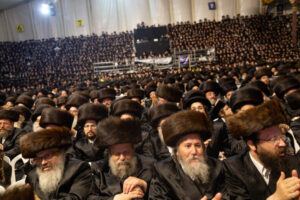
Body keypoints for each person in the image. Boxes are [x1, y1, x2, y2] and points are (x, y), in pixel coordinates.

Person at [224, 98, 300, 200]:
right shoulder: (233, 168)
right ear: (252, 145)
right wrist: (277, 197)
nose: (282, 144)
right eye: (273, 140)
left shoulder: (293, 162)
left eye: (282, 137)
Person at [149, 110, 224, 200]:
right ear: (177, 151)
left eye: (197, 145)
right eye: (188, 146)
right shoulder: (163, 171)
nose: (194, 151)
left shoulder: (218, 167)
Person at [89, 117, 155, 200]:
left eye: (126, 152)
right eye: (117, 154)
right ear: (110, 154)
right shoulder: (99, 169)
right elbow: (89, 197)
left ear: (133, 151)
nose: (122, 157)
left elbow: (166, 193)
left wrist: (145, 185)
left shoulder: (150, 166)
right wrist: (115, 198)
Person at [20, 127, 93, 199]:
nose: (43, 162)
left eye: (48, 156)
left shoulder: (79, 169)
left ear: (62, 153)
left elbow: (75, 198)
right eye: (39, 158)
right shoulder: (32, 176)